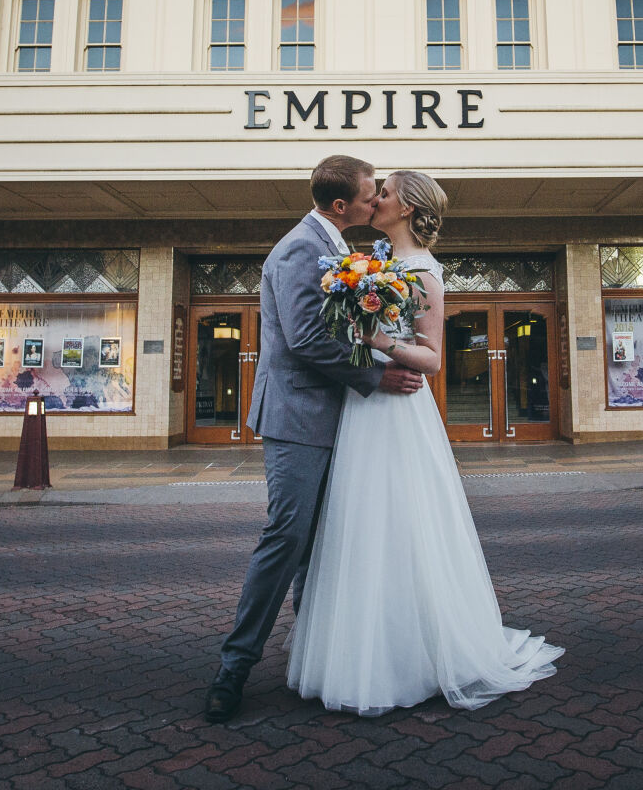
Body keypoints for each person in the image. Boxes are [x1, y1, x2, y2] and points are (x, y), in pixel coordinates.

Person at [285, 170, 563, 715]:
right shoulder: (377, 266)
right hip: (365, 410)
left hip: (399, 412)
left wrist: (375, 337)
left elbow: (433, 358)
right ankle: (365, 649)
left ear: (408, 208)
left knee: (403, 523)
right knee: (361, 524)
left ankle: (415, 656)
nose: (375, 200)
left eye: (383, 193)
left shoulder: (422, 273)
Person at [204, 155, 424, 723]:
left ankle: (311, 652)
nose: (377, 201)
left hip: (338, 417)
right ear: (339, 206)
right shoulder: (303, 248)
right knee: (287, 537)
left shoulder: (339, 246)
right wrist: (376, 375)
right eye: (371, 193)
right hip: (299, 417)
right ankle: (235, 666)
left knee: (323, 543)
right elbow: (304, 338)